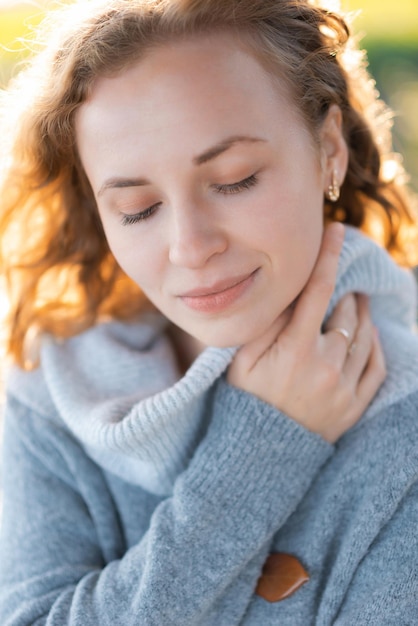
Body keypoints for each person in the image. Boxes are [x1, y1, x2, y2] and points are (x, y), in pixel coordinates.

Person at [0, 0, 417, 623]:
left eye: (236, 178)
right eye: (138, 208)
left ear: (328, 149)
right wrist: (259, 453)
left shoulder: (404, 422)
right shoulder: (53, 387)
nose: (191, 248)